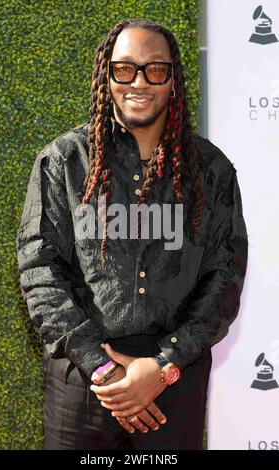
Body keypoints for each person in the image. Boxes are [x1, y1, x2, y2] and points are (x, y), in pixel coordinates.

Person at [16, 18, 248, 450]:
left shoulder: (211, 169)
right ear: (108, 76)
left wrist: (163, 366)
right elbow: (39, 270)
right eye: (124, 69)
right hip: (83, 384)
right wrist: (102, 368)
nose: (138, 81)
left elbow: (225, 276)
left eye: (154, 69)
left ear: (173, 80)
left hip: (172, 383)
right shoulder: (64, 161)